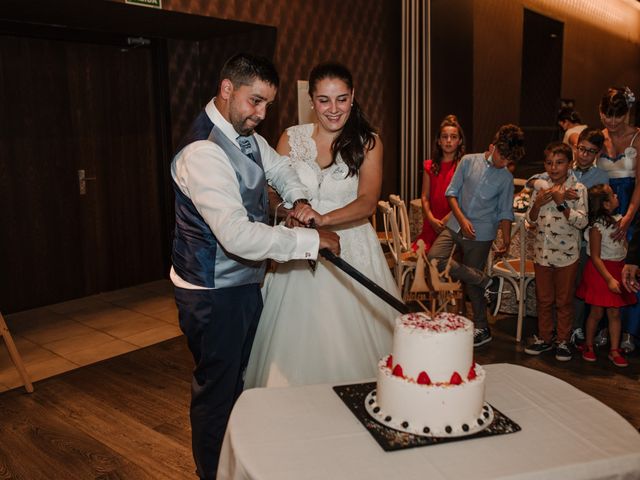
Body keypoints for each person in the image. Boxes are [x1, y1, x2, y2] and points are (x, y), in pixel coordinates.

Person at [170, 53, 340, 480]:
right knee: (216, 392)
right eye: (255, 102)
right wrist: (309, 241)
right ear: (227, 89)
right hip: (211, 294)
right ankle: (212, 472)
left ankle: (237, 463)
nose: (261, 115)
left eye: (267, 104)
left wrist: (298, 199)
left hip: (243, 283)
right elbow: (237, 236)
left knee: (239, 382)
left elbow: (279, 168)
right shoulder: (203, 152)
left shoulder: (245, 134)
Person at [244, 62, 399, 388]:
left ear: (353, 97)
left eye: (341, 99)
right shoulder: (291, 137)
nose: (333, 109)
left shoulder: (368, 143)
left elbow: (367, 202)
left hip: (352, 250)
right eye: (324, 100)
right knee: (296, 344)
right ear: (311, 99)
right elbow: (272, 191)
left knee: (352, 344)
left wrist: (323, 219)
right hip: (299, 254)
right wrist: (289, 210)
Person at [427, 124, 525, 347]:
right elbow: (451, 193)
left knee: (471, 285)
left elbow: (505, 213)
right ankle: (487, 281)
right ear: (493, 146)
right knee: (434, 258)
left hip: (481, 234)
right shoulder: (469, 161)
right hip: (455, 224)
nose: (503, 162)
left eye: (509, 159)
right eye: (502, 156)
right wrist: (461, 219)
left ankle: (482, 327)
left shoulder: (506, 178)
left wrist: (507, 240)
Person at [524, 142, 587, 361]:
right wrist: (537, 204)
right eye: (549, 163)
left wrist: (562, 204)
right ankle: (544, 338)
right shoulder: (541, 189)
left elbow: (582, 222)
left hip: (567, 256)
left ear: (569, 164)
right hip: (542, 253)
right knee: (544, 299)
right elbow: (529, 221)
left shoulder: (577, 190)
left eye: (559, 163)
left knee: (564, 301)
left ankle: (563, 340)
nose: (554, 168)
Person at [596, 86, 640, 352]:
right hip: (603, 212)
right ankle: (602, 324)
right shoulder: (597, 138)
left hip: (632, 209)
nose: (612, 121)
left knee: (630, 268)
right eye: (607, 115)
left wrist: (629, 218)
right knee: (604, 268)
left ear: (627, 113)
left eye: (618, 115)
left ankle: (629, 331)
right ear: (600, 112)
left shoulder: (638, 139)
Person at [576, 184, 636, 367]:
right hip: (600, 272)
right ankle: (588, 345)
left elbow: (624, 247)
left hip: (618, 268)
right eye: (612, 195)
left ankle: (614, 349)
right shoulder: (596, 227)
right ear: (605, 204)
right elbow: (594, 256)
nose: (617, 195)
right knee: (596, 312)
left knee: (615, 312)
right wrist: (609, 279)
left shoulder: (620, 221)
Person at [413, 114, 465, 252]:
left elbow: (464, 198)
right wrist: (430, 219)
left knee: (443, 261)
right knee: (426, 261)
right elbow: (425, 196)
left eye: (453, 137)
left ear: (459, 141)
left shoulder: (462, 167)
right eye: (444, 136)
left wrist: (446, 220)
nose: (448, 141)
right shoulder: (430, 166)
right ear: (439, 141)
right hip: (431, 223)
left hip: (453, 223)